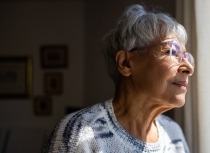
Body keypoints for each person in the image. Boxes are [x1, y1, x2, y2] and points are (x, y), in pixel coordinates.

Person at [43, 4, 194, 153]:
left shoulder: (173, 134)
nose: (189, 68)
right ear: (125, 63)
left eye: (187, 57)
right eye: (172, 52)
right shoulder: (79, 132)